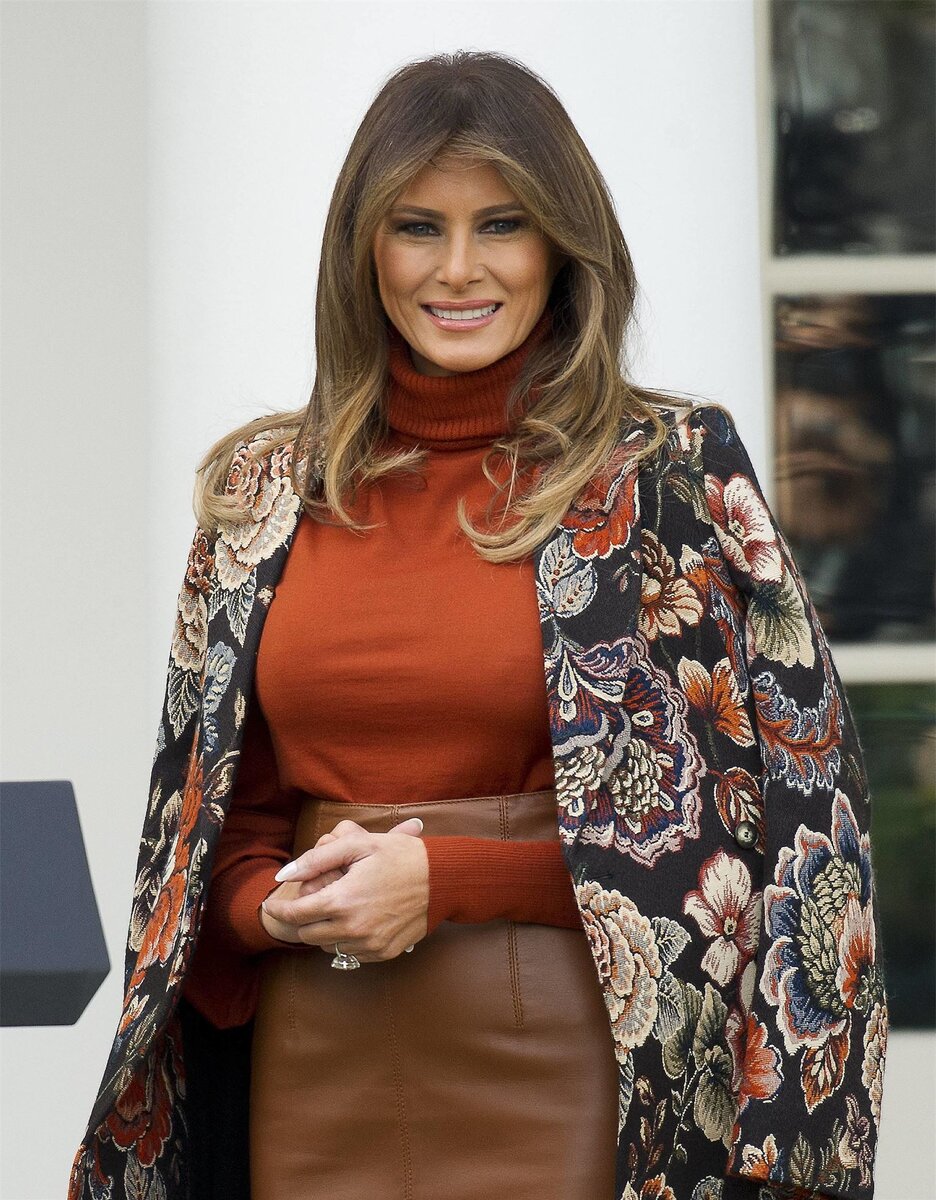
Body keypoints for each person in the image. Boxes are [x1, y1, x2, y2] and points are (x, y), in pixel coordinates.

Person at [69, 50, 887, 1200]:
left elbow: (753, 844)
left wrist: (445, 880)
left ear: (562, 245)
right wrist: (281, 907)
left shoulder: (669, 479)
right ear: (364, 249)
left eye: (501, 224)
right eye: (419, 228)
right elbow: (212, 834)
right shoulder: (262, 493)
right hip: (316, 1064)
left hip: (577, 1069)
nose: (458, 269)